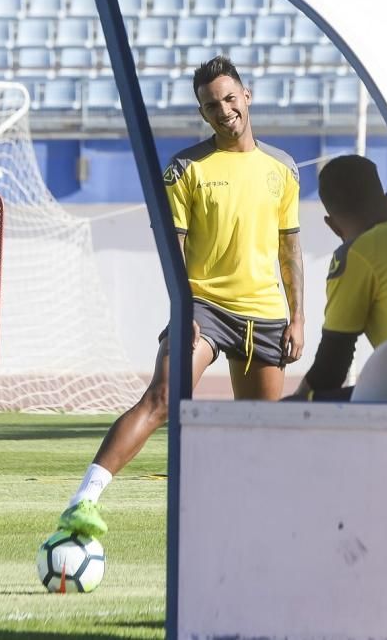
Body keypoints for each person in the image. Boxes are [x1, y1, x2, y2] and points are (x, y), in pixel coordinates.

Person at [57, 56, 305, 537]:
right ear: (203, 112)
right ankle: (84, 499)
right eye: (211, 105)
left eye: (230, 98)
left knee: (263, 432)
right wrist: (182, 308)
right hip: (205, 309)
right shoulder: (185, 169)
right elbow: (176, 250)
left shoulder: (284, 169)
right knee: (164, 397)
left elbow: (290, 248)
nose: (224, 110)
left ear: (247, 97)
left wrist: (297, 318)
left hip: (266, 317)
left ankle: (252, 531)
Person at [290, 154, 387, 402]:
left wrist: (294, 402)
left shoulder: (355, 254)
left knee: (297, 407)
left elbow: (332, 369)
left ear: (332, 225)